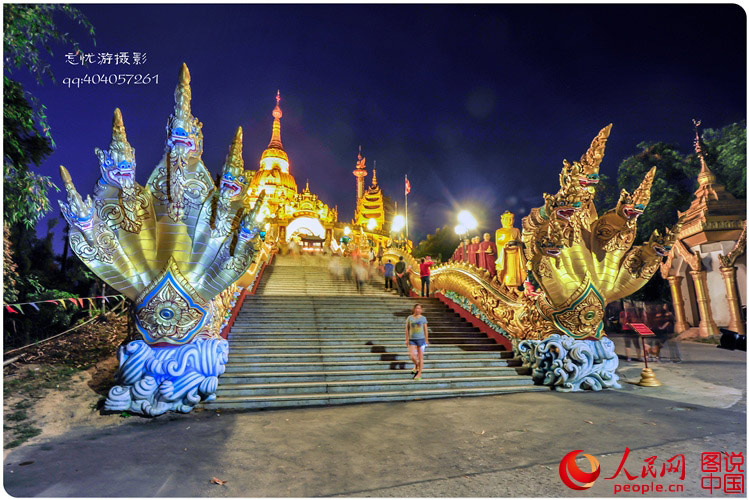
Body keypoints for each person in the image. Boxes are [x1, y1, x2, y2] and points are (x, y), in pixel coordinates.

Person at [495, 210, 526, 287]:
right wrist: (505, 245)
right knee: (507, 270)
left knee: (516, 271)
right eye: (507, 219)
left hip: (516, 254)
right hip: (505, 255)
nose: (509, 221)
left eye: (511, 219)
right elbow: (499, 243)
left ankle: (517, 285)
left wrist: (517, 244)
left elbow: (520, 242)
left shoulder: (516, 230)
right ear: (502, 220)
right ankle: (506, 284)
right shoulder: (499, 231)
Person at [406, 303, 429, 380]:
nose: (418, 310)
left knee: (420, 357)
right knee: (412, 356)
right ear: (414, 309)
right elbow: (407, 329)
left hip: (421, 340)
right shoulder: (410, 318)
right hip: (412, 339)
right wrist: (407, 339)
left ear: (421, 310)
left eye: (419, 308)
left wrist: (426, 340)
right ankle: (417, 364)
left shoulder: (423, 318)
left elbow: (426, 330)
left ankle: (419, 374)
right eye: (416, 308)